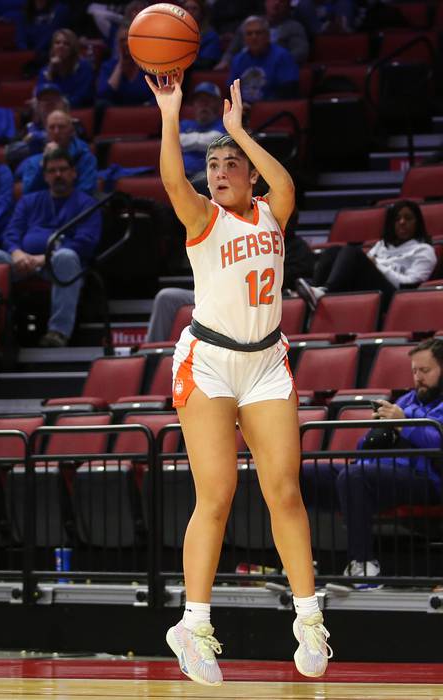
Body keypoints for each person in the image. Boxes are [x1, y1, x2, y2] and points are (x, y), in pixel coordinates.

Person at [146, 73, 330, 685]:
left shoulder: (271, 212)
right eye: (215, 164)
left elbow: (285, 183)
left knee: (284, 491)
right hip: (210, 360)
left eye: (231, 164)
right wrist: (171, 114)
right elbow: (173, 179)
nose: (221, 171)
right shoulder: (202, 218)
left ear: (248, 174)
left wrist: (238, 132)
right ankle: (192, 626)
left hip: (267, 360)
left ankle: (308, 617)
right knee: (217, 494)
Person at [301, 338, 443, 584]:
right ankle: (301, 562)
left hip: (427, 481)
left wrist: (401, 423)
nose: (418, 377)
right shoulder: (407, 400)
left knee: (355, 476)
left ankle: (364, 564)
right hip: (383, 473)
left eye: (425, 370)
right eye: (414, 371)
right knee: (304, 472)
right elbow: (363, 446)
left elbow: (437, 442)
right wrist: (378, 433)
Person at [0, 148, 101, 348]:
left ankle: (58, 332)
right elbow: (11, 233)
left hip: (56, 265)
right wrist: (17, 253)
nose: (58, 175)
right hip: (23, 263)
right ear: (45, 176)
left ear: (74, 173)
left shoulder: (86, 203)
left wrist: (42, 259)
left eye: (63, 170)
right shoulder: (29, 201)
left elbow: (85, 242)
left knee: (67, 256)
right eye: (52, 171)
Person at [146, 216, 314, 342]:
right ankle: (151, 355)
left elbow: (289, 279)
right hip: (216, 293)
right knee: (166, 297)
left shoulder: (297, 248)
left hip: (250, 301)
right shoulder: (243, 236)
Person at [296, 200, 437, 313]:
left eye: (408, 218)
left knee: (352, 252)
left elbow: (410, 285)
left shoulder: (424, 250)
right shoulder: (382, 245)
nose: (402, 222)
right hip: (369, 288)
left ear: (417, 223)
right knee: (333, 251)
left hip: (395, 296)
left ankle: (324, 292)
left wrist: (378, 265)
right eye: (397, 219)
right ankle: (314, 291)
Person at [16, 108, 97, 194]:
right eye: (51, 127)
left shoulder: (86, 158)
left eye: (61, 127)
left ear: (71, 131)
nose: (56, 132)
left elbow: (85, 193)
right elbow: (29, 194)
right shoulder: (33, 162)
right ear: (46, 132)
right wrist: (43, 165)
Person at [216, 0, 309, 70]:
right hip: (246, 71)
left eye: (281, 1)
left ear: (288, 4)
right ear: (265, 2)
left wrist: (270, 61)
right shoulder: (250, 24)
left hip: (277, 73)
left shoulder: (295, 27)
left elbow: (300, 53)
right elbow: (231, 52)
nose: (276, 3)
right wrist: (225, 61)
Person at [228, 16, 300, 104]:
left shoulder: (282, 56)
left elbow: (288, 92)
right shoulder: (238, 59)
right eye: (249, 33)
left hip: (272, 109)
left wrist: (258, 109)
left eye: (258, 33)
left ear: (268, 36)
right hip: (243, 111)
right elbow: (231, 92)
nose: (254, 37)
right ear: (244, 39)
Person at [36, 28, 94, 109]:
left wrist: (60, 105)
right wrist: (50, 72)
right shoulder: (45, 71)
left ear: (73, 49)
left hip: (76, 111)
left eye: (66, 43)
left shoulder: (84, 67)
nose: (61, 46)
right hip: (51, 113)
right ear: (52, 47)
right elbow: (41, 96)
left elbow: (82, 97)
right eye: (57, 43)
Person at [96, 24, 151, 107]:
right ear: (117, 44)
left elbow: (163, 92)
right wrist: (120, 66)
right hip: (118, 115)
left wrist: (149, 104)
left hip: (146, 114)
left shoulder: (150, 65)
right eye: (122, 40)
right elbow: (104, 95)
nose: (126, 43)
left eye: (130, 38)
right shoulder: (108, 66)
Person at [180, 82, 226, 178]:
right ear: (193, 105)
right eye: (199, 100)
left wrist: (187, 141)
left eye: (209, 100)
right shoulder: (184, 124)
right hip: (181, 176)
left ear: (218, 104)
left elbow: (216, 143)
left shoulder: (225, 124)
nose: (204, 105)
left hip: (210, 177)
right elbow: (174, 143)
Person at [180, 0, 222, 70]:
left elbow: (206, 63)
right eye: (186, 8)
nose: (190, 12)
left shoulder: (210, 36)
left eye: (194, 9)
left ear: (202, 13)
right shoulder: (175, 33)